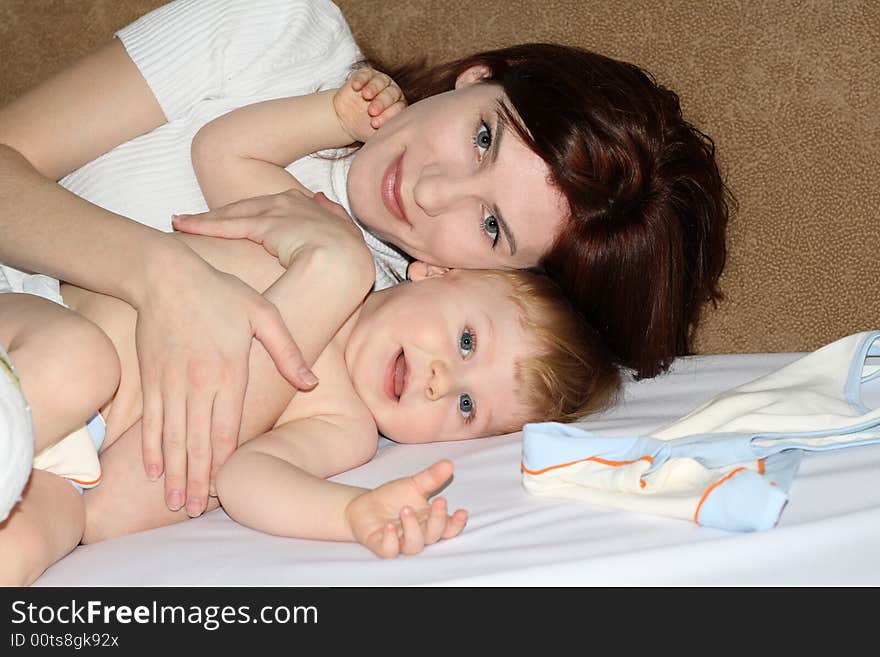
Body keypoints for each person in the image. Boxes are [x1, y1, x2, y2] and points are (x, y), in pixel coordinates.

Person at [0, 0, 730, 520]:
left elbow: (181, 473)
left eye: (491, 225)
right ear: (478, 77)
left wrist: (333, 273)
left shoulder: (377, 343)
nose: (429, 188)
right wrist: (161, 273)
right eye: (484, 138)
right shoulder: (276, 31)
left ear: (497, 277)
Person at [0, 175, 620, 584]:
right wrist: (332, 114)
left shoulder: (346, 428)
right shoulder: (320, 242)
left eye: (465, 405)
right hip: (35, 331)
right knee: (80, 363)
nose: (438, 380)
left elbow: (247, 479)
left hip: (63, 471)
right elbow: (222, 152)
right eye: (466, 342)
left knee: (33, 544)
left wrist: (351, 512)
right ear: (435, 273)